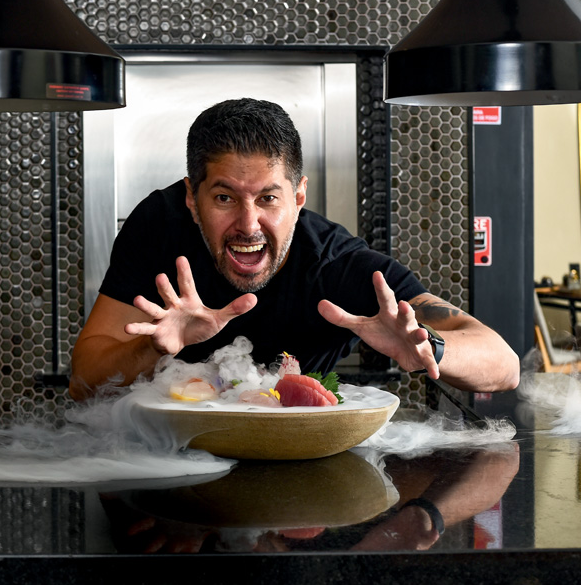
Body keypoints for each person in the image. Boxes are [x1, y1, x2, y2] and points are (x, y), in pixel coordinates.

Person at [69, 98, 519, 400]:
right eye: (224, 198)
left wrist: (429, 348)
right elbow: (83, 381)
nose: (248, 225)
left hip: (301, 470)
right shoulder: (160, 226)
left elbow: (504, 363)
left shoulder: (336, 264)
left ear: (299, 196)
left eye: (268, 198)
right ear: (192, 197)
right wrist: (156, 349)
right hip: (168, 463)